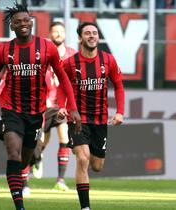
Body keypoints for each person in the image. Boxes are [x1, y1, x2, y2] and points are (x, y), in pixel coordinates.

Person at [0, 2, 81, 210]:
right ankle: (19, 206)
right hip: (12, 109)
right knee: (13, 153)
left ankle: (28, 168)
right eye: (18, 21)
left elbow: (63, 78)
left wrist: (73, 107)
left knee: (24, 160)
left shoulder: (46, 47)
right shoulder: (4, 50)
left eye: (26, 20)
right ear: (11, 26)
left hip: (36, 112)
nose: (23, 24)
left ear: (31, 22)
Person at [58, 22, 124, 210]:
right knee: (82, 158)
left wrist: (119, 112)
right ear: (80, 38)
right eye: (87, 33)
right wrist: (62, 107)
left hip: (100, 120)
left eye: (95, 33)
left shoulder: (108, 60)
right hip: (77, 119)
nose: (92, 36)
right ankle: (85, 207)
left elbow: (119, 86)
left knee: (96, 166)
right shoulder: (70, 63)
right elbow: (63, 85)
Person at [20, 21, 77, 196]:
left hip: (62, 105)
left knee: (64, 137)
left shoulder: (72, 54)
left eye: (61, 31)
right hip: (44, 104)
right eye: (55, 31)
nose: (58, 34)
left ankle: (60, 181)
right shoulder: (44, 52)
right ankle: (37, 159)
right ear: (50, 34)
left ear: (65, 35)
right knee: (38, 144)